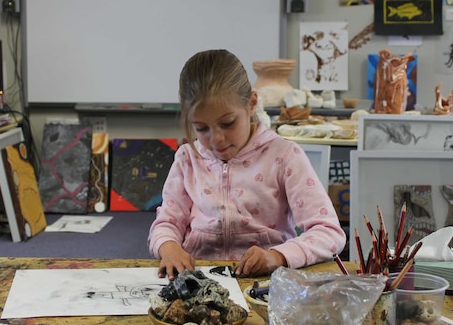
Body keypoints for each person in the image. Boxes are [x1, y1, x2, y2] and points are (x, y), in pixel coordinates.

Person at [148, 49, 346, 278]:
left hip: (266, 283)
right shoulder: (187, 158)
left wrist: (279, 255)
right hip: (198, 279)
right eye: (201, 128)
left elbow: (329, 232)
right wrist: (168, 247)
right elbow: (167, 222)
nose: (216, 139)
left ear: (251, 104)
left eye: (228, 123)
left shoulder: (284, 156)